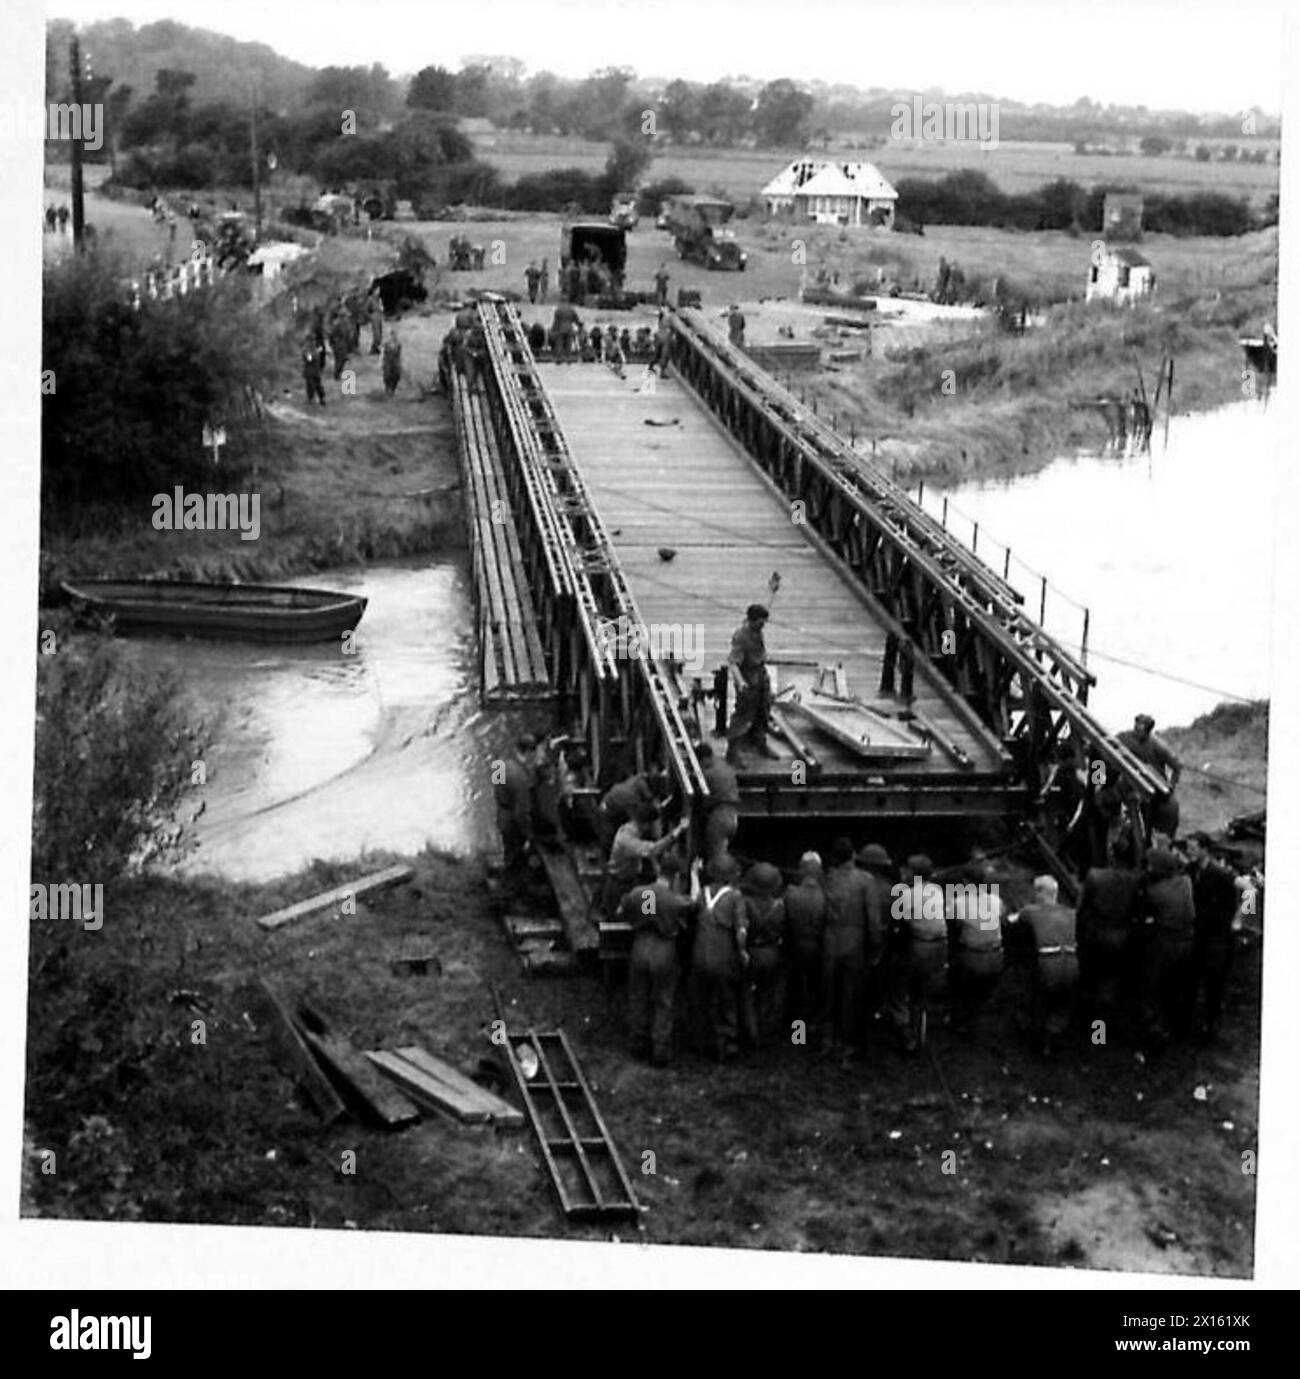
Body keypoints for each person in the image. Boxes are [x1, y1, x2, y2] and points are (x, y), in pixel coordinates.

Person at [620, 853, 696, 1066]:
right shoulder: (675, 900)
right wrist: (695, 878)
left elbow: (622, 909)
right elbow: (694, 904)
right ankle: (660, 1049)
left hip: (640, 946)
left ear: (658, 870)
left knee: (638, 996)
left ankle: (637, 1043)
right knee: (663, 999)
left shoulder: (640, 893)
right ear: (676, 877)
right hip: (664, 949)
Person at [1009, 875, 1079, 1057]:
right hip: (1073, 962)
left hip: (1048, 963)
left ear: (1040, 892)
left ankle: (1032, 1031)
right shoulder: (1072, 913)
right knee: (1063, 1001)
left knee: (1035, 991)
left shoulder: (1030, 911)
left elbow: (1010, 923)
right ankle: (1053, 1036)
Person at [691, 855, 749, 1062]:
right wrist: (742, 952)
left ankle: (702, 1040)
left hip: (700, 953)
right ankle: (727, 1041)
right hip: (722, 955)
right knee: (726, 998)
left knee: (702, 997)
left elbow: (693, 900)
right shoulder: (735, 897)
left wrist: (693, 875)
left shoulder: (704, 894)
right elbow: (741, 929)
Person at [1183, 833, 1240, 1042]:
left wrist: (1239, 920)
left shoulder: (1222, 874)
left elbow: (1249, 892)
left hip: (1217, 936)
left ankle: (1211, 1022)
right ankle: (1189, 1022)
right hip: (1197, 933)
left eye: (1192, 848)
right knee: (1191, 977)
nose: (1188, 852)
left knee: (1213, 982)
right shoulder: (1189, 871)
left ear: (1204, 849)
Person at [890, 854, 948, 1053]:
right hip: (940, 947)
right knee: (921, 985)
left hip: (920, 947)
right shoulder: (938, 890)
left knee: (897, 985)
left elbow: (899, 923)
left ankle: (905, 1031)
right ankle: (919, 1018)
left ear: (913, 874)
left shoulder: (907, 894)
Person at [821, 836, 872, 1057]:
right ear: (853, 856)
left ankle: (826, 1040)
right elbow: (872, 917)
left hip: (830, 941)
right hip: (855, 942)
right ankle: (847, 1043)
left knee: (828, 993)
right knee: (851, 995)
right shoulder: (865, 880)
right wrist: (876, 947)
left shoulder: (827, 879)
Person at [946, 862, 1005, 1036]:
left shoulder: (958, 902)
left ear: (965, 882)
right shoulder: (997, 901)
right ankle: (973, 1018)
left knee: (956, 975)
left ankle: (957, 1018)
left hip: (972, 958)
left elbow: (953, 928)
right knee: (980, 993)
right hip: (996, 957)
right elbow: (1001, 921)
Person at [1075, 862, 1141, 1017]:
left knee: (1091, 980)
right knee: (1109, 982)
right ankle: (1102, 1027)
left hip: (1096, 937)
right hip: (1121, 939)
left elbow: (1083, 909)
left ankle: (1094, 1028)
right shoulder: (1136, 880)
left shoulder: (1095, 876)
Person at [606, 808, 687, 919]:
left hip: (626, 882)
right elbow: (652, 850)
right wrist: (677, 831)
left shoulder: (629, 830)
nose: (658, 827)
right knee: (618, 920)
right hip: (618, 887)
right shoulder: (627, 840)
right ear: (646, 824)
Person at [725, 604, 776, 766]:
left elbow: (766, 605)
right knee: (743, 715)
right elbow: (733, 663)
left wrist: (772, 589)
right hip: (748, 677)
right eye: (761, 623)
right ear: (752, 621)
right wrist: (740, 682)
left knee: (763, 711)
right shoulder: (741, 636)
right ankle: (732, 752)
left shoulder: (756, 630)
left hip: (761, 675)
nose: (763, 626)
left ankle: (760, 743)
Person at [740, 862, 785, 1047]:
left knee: (748, 994)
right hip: (772, 952)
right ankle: (765, 1030)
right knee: (768, 994)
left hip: (752, 952)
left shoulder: (746, 904)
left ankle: (752, 1032)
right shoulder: (779, 906)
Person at [1117, 713, 1182, 837]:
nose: (1137, 733)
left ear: (1148, 731)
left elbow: (1177, 767)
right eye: (1136, 728)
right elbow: (1103, 751)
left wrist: (1171, 786)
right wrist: (1098, 779)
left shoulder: (1158, 746)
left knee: (1169, 810)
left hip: (1155, 786)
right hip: (1130, 782)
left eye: (1141, 730)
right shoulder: (1124, 738)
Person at [783, 852, 826, 1033]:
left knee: (797, 991)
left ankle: (797, 1035)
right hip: (818, 948)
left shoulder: (791, 893)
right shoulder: (826, 896)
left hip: (796, 948)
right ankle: (812, 1029)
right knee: (816, 990)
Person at [494, 735, 539, 874]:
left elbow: (496, 787)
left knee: (508, 850)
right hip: (513, 822)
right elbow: (521, 812)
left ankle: (507, 873)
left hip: (501, 814)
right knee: (516, 858)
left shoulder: (500, 764)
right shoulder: (521, 778)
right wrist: (529, 835)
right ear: (529, 753)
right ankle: (513, 885)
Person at [695, 743, 740, 863]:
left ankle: (721, 876)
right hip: (733, 815)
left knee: (717, 856)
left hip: (719, 816)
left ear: (703, 759)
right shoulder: (723, 764)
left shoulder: (708, 774)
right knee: (722, 849)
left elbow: (703, 799)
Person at [301, 336, 327, 406]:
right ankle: (310, 399)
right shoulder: (306, 349)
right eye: (311, 341)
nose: (313, 342)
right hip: (309, 372)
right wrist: (317, 352)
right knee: (310, 386)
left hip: (316, 371)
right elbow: (309, 358)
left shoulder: (314, 348)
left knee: (318, 385)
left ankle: (322, 398)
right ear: (308, 342)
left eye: (313, 341)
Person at [366, 289, 384, 354]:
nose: (378, 292)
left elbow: (381, 307)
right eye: (377, 290)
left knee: (380, 333)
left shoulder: (379, 299)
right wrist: (370, 317)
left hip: (380, 316)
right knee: (376, 334)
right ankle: (372, 349)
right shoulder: (370, 299)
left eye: (379, 290)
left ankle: (376, 348)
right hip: (374, 316)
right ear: (374, 291)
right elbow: (366, 309)